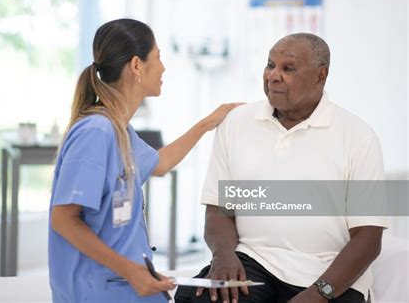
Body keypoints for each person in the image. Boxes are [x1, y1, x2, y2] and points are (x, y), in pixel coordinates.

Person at [175, 33, 387, 303]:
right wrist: (223, 256)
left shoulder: (358, 136)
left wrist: (317, 294)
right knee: (199, 299)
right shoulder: (237, 123)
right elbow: (218, 210)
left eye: (288, 68)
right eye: (270, 65)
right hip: (254, 261)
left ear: (320, 76)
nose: (273, 76)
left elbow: (368, 239)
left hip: (327, 271)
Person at [48, 18, 241, 302]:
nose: (163, 67)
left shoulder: (120, 130)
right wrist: (131, 271)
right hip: (98, 290)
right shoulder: (96, 133)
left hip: (123, 284)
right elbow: (63, 219)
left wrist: (208, 122)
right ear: (137, 66)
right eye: (158, 57)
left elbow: (160, 164)